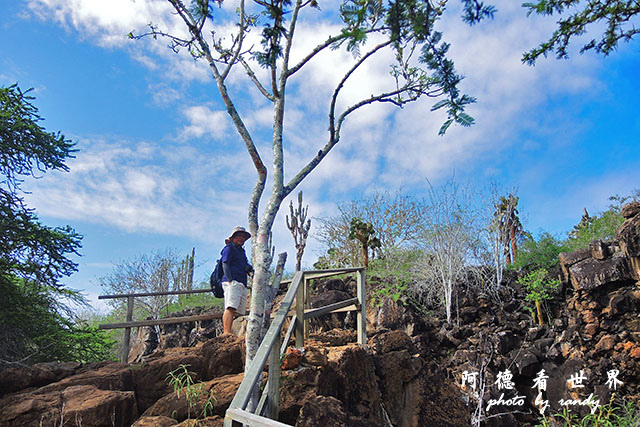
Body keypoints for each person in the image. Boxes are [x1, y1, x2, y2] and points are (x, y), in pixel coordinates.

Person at [221, 226, 253, 334]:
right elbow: (225, 263)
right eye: (239, 236)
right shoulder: (228, 248)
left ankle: (234, 333)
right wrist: (230, 280)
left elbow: (243, 265)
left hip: (241, 282)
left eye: (243, 237)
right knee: (230, 307)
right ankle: (226, 333)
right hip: (233, 281)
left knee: (238, 310)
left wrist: (248, 268)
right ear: (233, 237)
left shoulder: (241, 252)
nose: (241, 238)